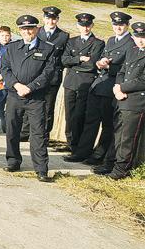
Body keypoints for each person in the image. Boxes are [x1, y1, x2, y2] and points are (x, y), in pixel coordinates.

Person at [1, 15, 58, 182]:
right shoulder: (12, 48)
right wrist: (17, 85)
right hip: (14, 95)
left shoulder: (48, 48)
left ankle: (41, 169)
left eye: (31, 28)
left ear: (37, 29)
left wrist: (30, 87)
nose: (27, 32)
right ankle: (13, 161)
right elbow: (5, 69)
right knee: (12, 130)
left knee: (38, 133)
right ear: (20, 30)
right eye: (24, 29)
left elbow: (48, 72)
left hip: (36, 97)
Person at [76, 11, 133, 174]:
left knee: (108, 125)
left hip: (113, 87)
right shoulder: (110, 40)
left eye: (121, 25)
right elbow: (102, 57)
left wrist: (110, 67)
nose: (118, 27)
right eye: (115, 25)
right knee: (90, 121)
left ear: (126, 25)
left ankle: (99, 155)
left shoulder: (131, 42)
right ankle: (83, 152)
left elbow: (128, 67)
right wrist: (100, 62)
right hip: (99, 84)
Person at [61, 14, 105, 159]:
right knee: (70, 115)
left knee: (79, 115)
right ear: (78, 26)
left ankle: (78, 148)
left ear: (92, 26)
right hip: (71, 82)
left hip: (85, 82)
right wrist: (79, 58)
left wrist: (75, 63)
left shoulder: (98, 43)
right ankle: (71, 144)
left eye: (87, 25)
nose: (85, 28)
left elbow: (91, 64)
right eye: (82, 25)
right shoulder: (72, 41)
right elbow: (64, 60)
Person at [110, 21, 145, 180]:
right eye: (137, 36)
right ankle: (117, 164)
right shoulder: (132, 51)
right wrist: (117, 87)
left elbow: (142, 80)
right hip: (122, 99)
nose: (140, 40)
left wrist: (121, 87)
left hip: (136, 102)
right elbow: (122, 70)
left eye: (143, 37)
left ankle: (121, 170)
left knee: (128, 138)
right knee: (119, 135)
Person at [28, 6, 69, 139]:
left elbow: (63, 57)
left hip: (52, 77)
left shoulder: (63, 36)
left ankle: (43, 135)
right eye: (48, 18)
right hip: (34, 75)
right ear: (43, 19)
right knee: (31, 104)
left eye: (53, 19)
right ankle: (26, 132)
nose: (50, 22)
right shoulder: (37, 31)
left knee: (48, 108)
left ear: (57, 20)